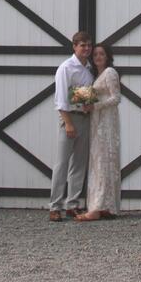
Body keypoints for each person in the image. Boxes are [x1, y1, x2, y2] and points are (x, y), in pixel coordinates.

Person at [48, 31, 94, 221]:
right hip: (70, 119)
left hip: (84, 118)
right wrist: (68, 123)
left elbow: (81, 95)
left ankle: (72, 204)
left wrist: (88, 104)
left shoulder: (89, 69)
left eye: (89, 45)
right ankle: (55, 206)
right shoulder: (66, 68)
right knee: (62, 163)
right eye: (82, 45)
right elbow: (61, 98)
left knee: (79, 164)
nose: (86, 48)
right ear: (74, 46)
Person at [75, 43, 121, 221]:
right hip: (97, 120)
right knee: (99, 162)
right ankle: (106, 206)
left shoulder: (110, 72)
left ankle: (97, 207)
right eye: (95, 55)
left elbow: (116, 98)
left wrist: (96, 106)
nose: (98, 57)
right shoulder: (97, 75)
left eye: (101, 54)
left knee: (103, 161)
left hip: (107, 122)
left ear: (107, 56)